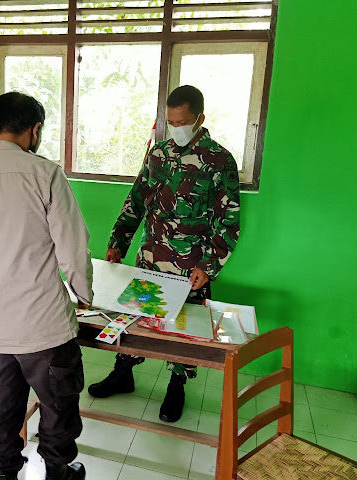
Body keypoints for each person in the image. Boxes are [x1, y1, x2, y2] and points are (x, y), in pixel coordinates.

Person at [0, 92, 93, 480]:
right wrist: (84, 296)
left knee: (0, 411)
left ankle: (3, 474)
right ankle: (58, 470)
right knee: (57, 405)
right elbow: (73, 248)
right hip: (45, 326)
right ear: (35, 129)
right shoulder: (46, 175)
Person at [88, 85, 241, 423]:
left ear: (200, 118)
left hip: (191, 266)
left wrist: (209, 266)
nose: (177, 128)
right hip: (151, 257)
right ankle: (123, 372)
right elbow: (136, 201)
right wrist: (118, 243)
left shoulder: (219, 160)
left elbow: (229, 221)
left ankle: (176, 385)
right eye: (171, 122)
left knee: (183, 329)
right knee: (134, 319)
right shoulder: (158, 154)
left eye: (183, 122)